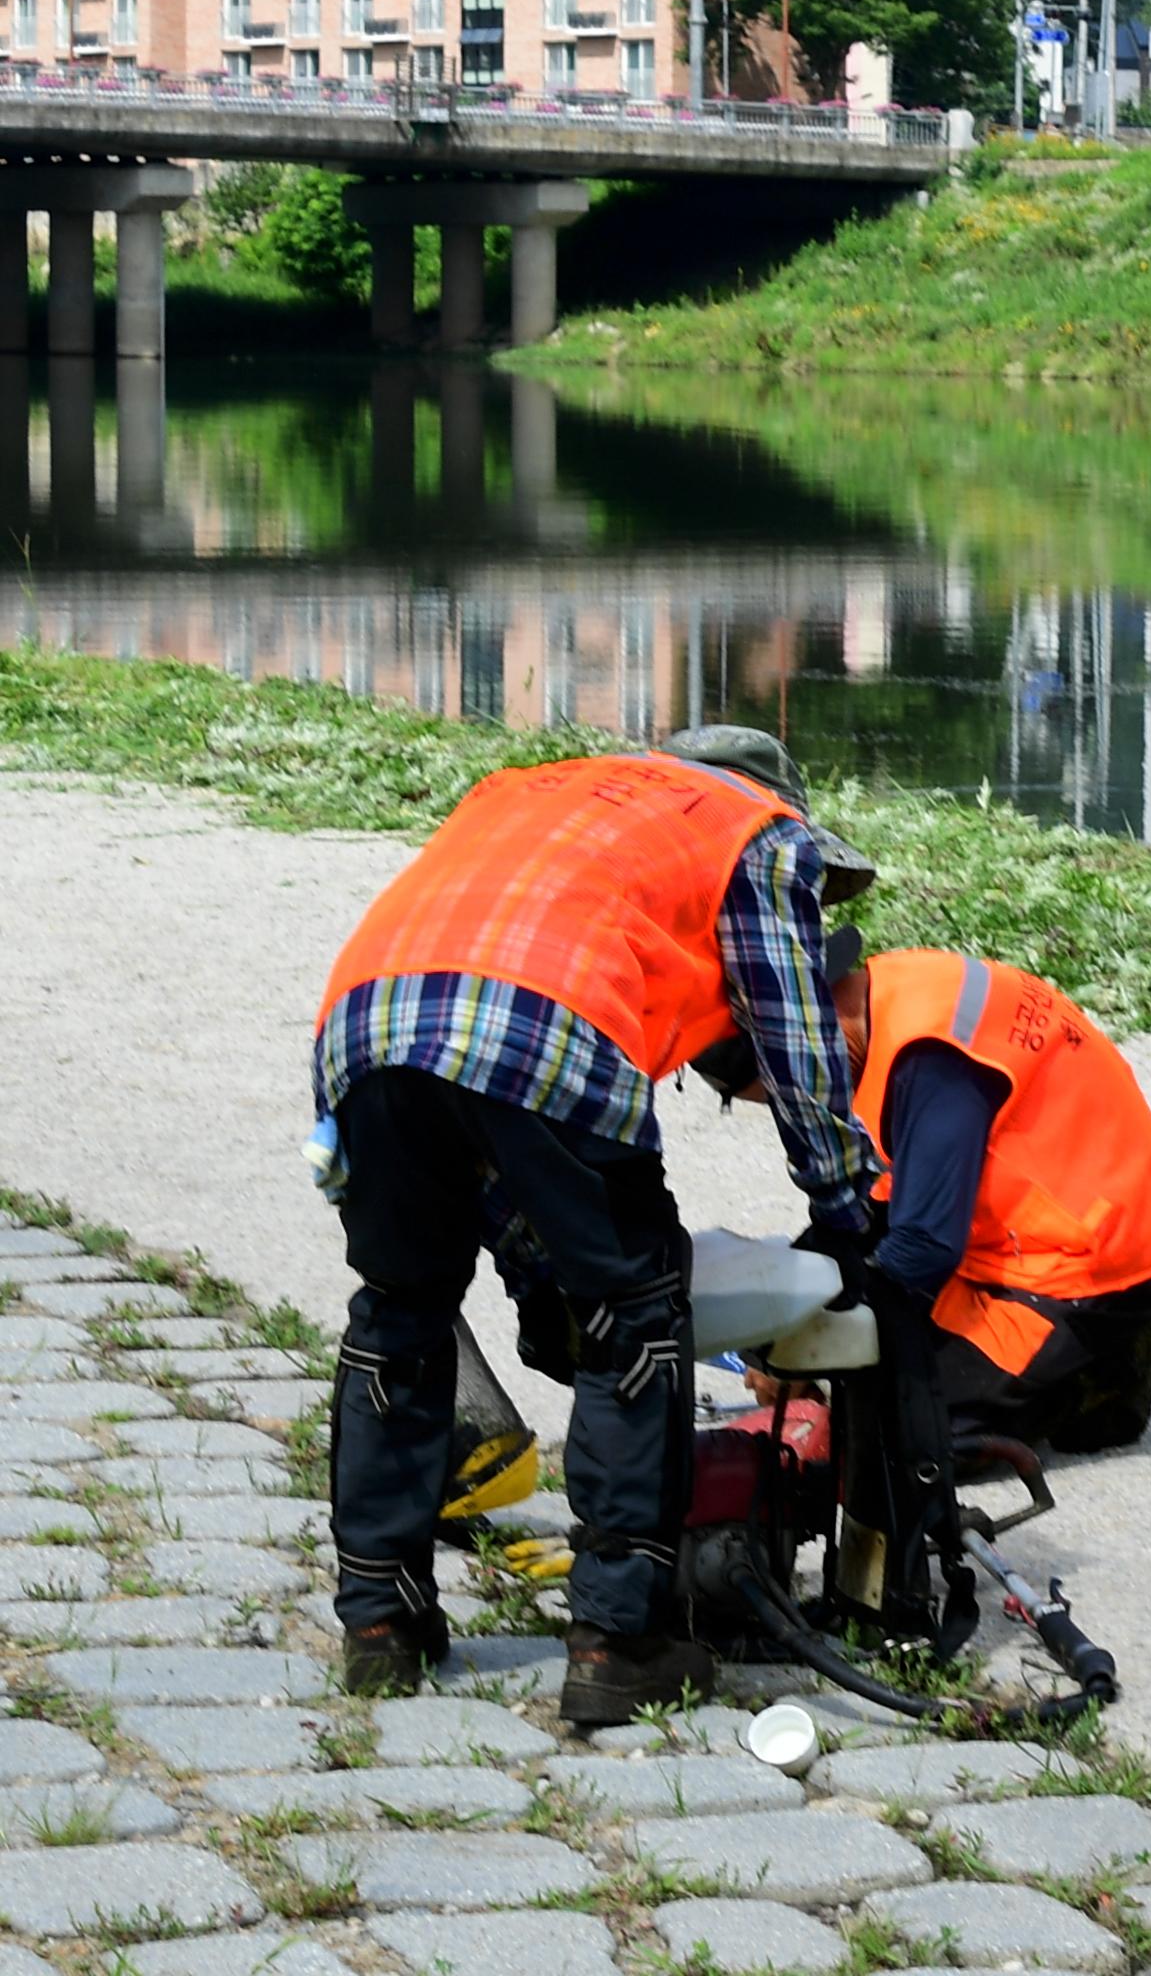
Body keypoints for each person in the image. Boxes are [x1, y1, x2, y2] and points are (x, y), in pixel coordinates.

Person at [311, 724, 882, 1721]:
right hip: (546, 1025)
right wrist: (844, 1204)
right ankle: (620, 1640)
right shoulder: (757, 829)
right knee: (636, 1310)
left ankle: (378, 1621)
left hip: (364, 1026)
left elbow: (483, 1133)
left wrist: (538, 1271)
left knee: (399, 1309)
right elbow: (794, 1040)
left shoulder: (528, 790)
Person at [712, 942, 1151, 1455]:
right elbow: (867, 1211)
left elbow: (921, 1249)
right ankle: (1085, 1360)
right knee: (854, 1315)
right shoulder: (892, 994)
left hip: (1093, 1268)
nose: (797, 1105)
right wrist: (776, 1339)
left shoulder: (933, 1057)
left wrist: (799, 1355)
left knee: (889, 1444)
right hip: (1055, 1222)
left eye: (785, 1090)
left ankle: (1107, 1367)